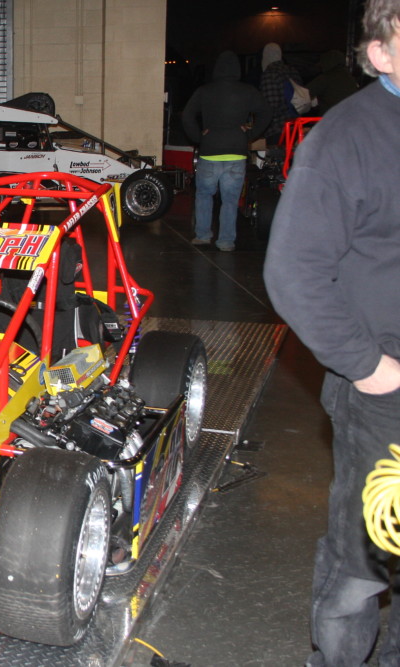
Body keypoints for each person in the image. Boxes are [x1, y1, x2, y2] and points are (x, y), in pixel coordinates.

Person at [263, 1, 400, 663]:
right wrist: (370, 367)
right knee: (369, 558)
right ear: (380, 53)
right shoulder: (349, 137)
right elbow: (292, 269)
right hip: (387, 395)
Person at [181, 51, 271, 251]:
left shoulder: (204, 91)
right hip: (236, 152)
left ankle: (203, 235)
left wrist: (199, 137)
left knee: (204, 194)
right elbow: (266, 113)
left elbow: (187, 116)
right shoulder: (248, 91)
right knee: (229, 200)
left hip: (209, 150)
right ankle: (226, 241)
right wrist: (250, 134)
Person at [260, 42, 303, 145]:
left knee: (278, 159)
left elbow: (270, 105)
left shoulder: (270, 74)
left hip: (277, 129)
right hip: (296, 126)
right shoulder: (293, 71)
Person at [306, 49, 359, 116]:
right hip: (351, 118)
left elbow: (304, 94)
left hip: (331, 119)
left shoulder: (327, 77)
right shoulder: (349, 78)